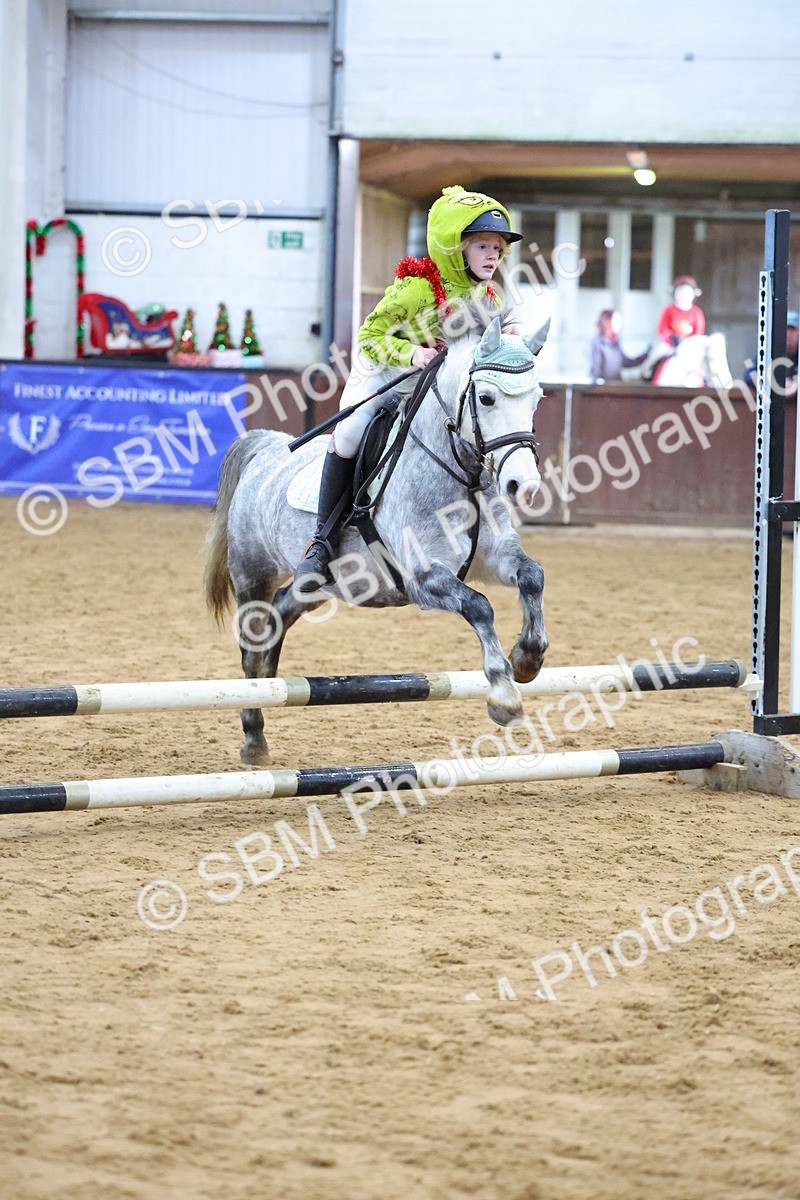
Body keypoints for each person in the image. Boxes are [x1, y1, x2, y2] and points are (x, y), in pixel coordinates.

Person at [293, 185, 522, 593]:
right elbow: (369, 336)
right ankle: (321, 543)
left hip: (433, 384)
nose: (494, 255)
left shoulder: (487, 296)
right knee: (349, 435)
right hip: (384, 371)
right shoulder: (416, 288)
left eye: (498, 248)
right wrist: (412, 353)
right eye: (484, 246)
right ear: (456, 249)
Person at [743, 310, 799, 396]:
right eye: (784, 330)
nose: (788, 334)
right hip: (773, 405)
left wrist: (796, 385)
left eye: (792, 330)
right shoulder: (770, 352)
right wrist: (775, 384)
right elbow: (750, 375)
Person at [588, 309, 648, 383]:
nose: (619, 324)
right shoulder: (598, 343)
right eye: (616, 320)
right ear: (607, 322)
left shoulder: (615, 343)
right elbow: (594, 371)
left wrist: (644, 357)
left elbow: (625, 362)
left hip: (616, 387)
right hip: (603, 389)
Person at [658, 275, 705, 346]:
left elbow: (698, 331)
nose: (683, 295)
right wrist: (671, 338)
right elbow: (662, 328)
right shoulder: (668, 309)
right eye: (680, 291)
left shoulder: (696, 312)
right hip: (670, 344)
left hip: (690, 346)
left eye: (687, 292)